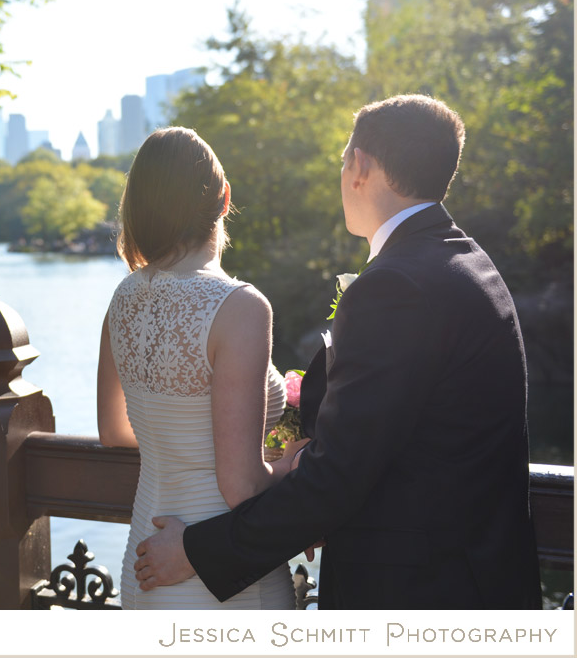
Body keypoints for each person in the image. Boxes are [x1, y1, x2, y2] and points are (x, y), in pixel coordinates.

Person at [132, 95, 543, 609]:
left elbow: (341, 476)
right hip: (475, 578)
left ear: (359, 166)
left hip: (418, 598)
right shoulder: (465, 259)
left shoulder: (397, 285)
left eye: (343, 159)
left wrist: (195, 553)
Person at [97, 126, 305, 609]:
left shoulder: (123, 298)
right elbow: (242, 487)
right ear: (225, 197)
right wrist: (295, 465)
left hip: (145, 563)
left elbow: (112, 431)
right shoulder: (239, 306)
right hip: (221, 574)